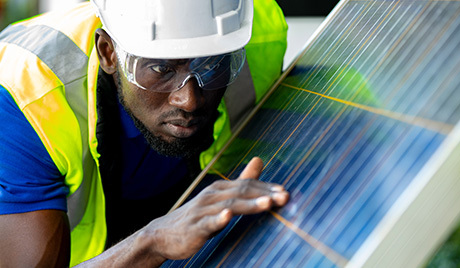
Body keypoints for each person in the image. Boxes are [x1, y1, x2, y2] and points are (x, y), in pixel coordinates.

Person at [0, 0, 289, 266]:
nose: (189, 100)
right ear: (109, 53)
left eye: (211, 65)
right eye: (161, 68)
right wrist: (152, 242)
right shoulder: (29, 101)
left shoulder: (251, 31)